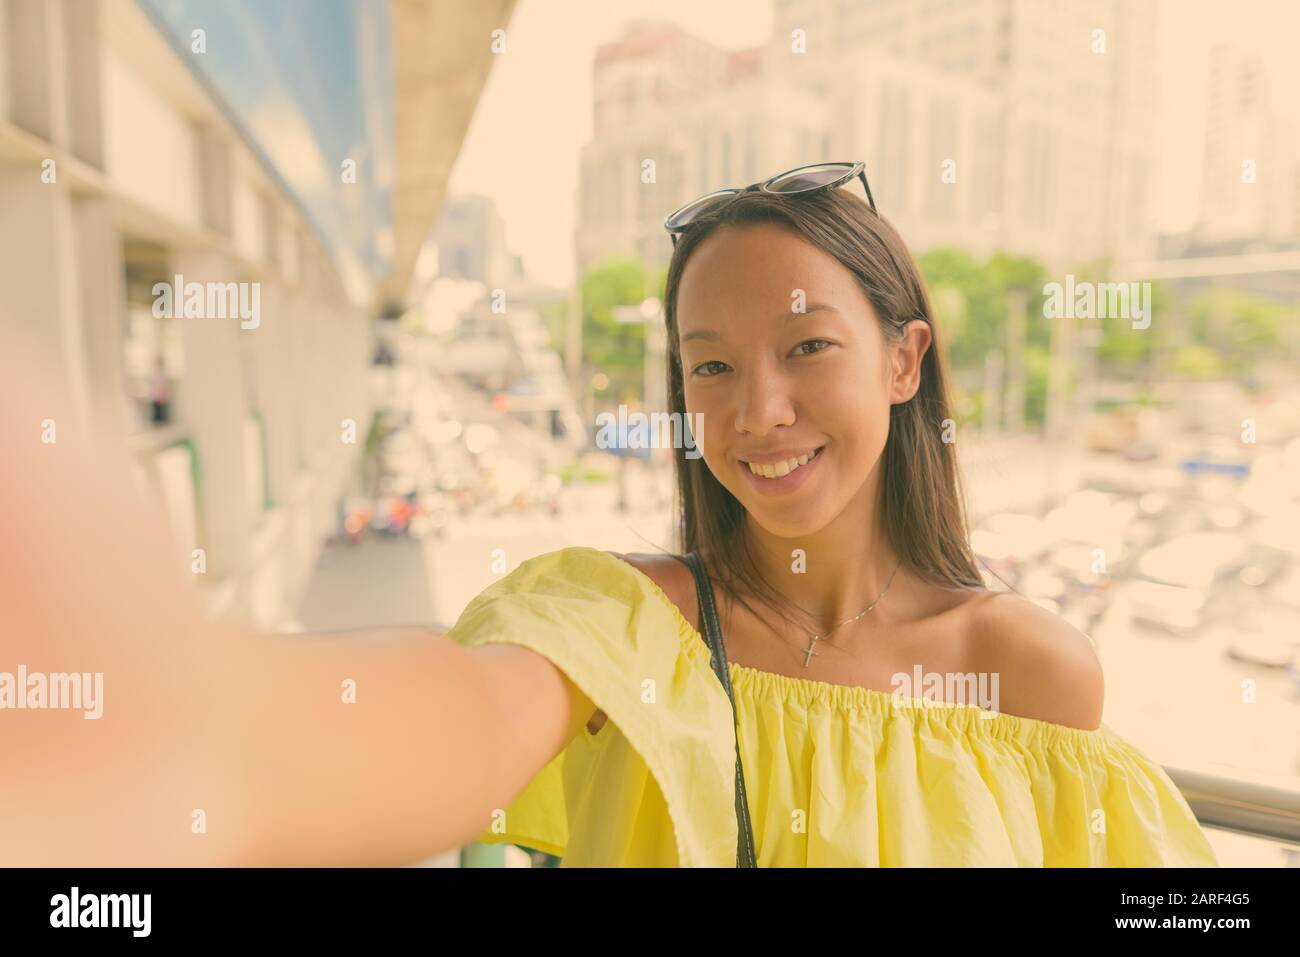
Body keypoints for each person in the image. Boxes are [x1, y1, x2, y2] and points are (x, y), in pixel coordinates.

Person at [0, 162, 1217, 867]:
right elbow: (456, 718)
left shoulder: (1032, 676)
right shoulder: (627, 624)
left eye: (807, 348)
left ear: (904, 363)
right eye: (709, 367)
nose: (761, 411)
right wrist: (133, 707)